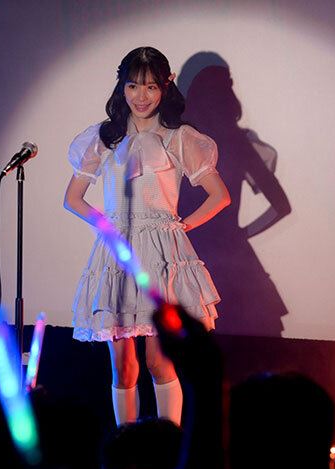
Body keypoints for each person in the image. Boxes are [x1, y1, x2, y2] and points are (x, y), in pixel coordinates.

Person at [63, 46, 231, 427]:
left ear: (165, 87)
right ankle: (128, 451)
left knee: (159, 361)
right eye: (133, 86)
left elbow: (220, 196)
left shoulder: (178, 137)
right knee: (123, 368)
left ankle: (167, 446)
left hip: (161, 258)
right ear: (122, 86)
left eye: (151, 87)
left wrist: (181, 226)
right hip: (119, 258)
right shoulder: (105, 138)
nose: (142, 96)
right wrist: (108, 228)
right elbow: (72, 199)